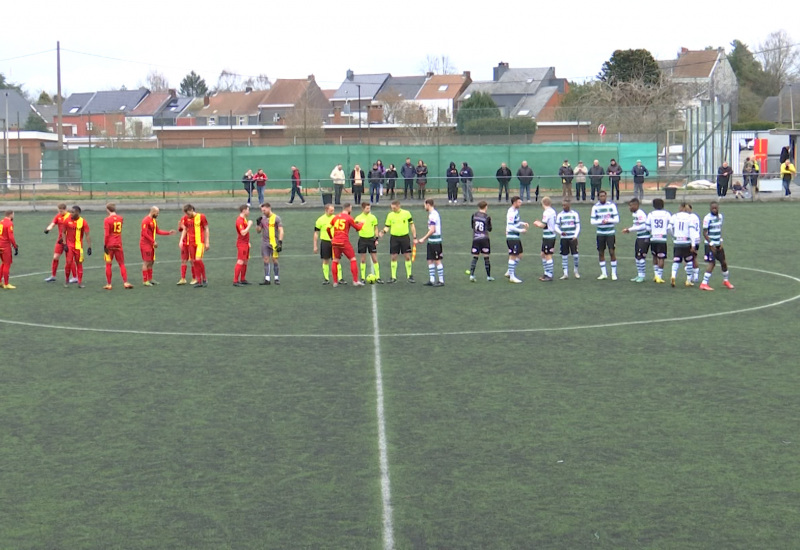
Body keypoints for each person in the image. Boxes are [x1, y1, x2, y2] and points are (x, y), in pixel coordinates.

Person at [700, 201, 734, 291]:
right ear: (710, 209)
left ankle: (726, 281)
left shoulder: (720, 217)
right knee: (712, 263)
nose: (714, 210)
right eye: (713, 208)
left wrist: (721, 241)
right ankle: (704, 283)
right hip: (710, 245)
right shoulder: (707, 218)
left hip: (718, 244)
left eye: (716, 208)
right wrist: (711, 243)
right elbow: (704, 232)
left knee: (724, 262)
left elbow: (719, 230)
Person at [379, 200, 416, 283]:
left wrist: (414, 236)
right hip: (394, 238)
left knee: (407, 256)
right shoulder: (390, 215)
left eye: (394, 208)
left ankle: (409, 275)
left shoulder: (406, 213)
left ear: (399, 206)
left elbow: (412, 224)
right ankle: (393, 277)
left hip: (404, 237)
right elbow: (387, 226)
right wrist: (383, 232)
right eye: (392, 208)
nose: (393, 209)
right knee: (393, 257)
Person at [328, 203, 364, 287]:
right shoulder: (349, 218)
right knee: (353, 259)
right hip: (344, 241)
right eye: (351, 208)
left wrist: (331, 237)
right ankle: (355, 281)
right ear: (348, 208)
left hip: (335, 241)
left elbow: (328, 228)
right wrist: (362, 223)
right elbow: (358, 228)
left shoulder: (335, 217)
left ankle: (335, 282)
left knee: (335, 260)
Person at [139, 206, 175, 287]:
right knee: (146, 262)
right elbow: (144, 233)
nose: (158, 214)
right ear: (152, 212)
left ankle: (150, 279)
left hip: (151, 244)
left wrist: (168, 233)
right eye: (157, 213)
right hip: (145, 244)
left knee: (152, 261)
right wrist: (153, 241)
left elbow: (157, 231)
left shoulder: (154, 221)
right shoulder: (145, 220)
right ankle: (145, 280)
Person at [99, 203, 132, 290]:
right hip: (118, 243)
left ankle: (109, 284)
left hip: (110, 244)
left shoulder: (107, 220)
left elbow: (106, 234)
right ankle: (125, 282)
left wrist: (105, 245)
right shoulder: (120, 218)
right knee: (121, 264)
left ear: (107, 210)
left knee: (108, 264)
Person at [590, 190, 619, 280]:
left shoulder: (611, 205)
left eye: (604, 196)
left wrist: (608, 221)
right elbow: (592, 221)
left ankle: (614, 274)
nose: (603, 197)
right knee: (601, 252)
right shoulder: (595, 207)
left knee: (611, 252)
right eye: (601, 196)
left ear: (606, 197)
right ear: (598, 197)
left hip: (610, 232)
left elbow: (617, 219)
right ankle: (604, 273)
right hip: (600, 233)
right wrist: (601, 221)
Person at [43, 203, 76, 283]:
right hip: (60, 240)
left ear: (65, 210)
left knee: (69, 259)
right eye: (59, 211)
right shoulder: (58, 216)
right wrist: (48, 229)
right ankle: (53, 276)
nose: (60, 213)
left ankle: (75, 277)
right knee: (55, 257)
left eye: (61, 211)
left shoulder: (70, 217)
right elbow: (53, 223)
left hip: (68, 241)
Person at [621, 198, 650, 283]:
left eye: (631, 206)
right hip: (639, 237)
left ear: (636, 205)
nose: (629, 208)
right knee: (637, 257)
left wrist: (629, 230)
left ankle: (642, 276)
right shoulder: (635, 214)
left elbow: (643, 226)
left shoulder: (640, 214)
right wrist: (629, 229)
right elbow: (636, 226)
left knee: (641, 257)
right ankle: (639, 274)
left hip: (644, 237)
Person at [416, 199, 444, 286]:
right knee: (430, 260)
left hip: (435, 242)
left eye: (425, 205)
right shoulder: (431, 214)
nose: (424, 207)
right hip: (431, 241)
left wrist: (423, 238)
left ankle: (441, 280)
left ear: (428, 204)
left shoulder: (433, 215)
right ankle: (432, 280)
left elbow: (432, 230)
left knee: (437, 260)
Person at [180, 204, 209, 288]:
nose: (188, 216)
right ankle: (199, 281)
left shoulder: (201, 217)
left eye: (188, 213)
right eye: (186, 214)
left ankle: (204, 278)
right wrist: (181, 240)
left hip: (199, 242)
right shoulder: (186, 218)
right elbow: (185, 229)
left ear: (192, 209)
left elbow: (206, 228)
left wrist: (207, 242)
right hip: (190, 243)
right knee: (193, 261)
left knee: (198, 259)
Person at [63, 205, 92, 288]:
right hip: (69, 245)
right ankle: (67, 280)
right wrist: (65, 243)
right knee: (68, 262)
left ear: (78, 213)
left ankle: (79, 282)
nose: (70, 213)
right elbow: (63, 232)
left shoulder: (83, 222)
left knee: (79, 263)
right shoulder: (66, 220)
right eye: (70, 212)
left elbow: (87, 235)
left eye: (73, 212)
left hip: (79, 247)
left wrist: (89, 247)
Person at [313, 203, 343, 285]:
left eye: (333, 210)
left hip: (335, 242)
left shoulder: (336, 218)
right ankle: (326, 278)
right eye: (331, 210)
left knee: (337, 260)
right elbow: (316, 233)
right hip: (325, 242)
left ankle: (340, 278)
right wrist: (315, 245)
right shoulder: (320, 220)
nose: (333, 212)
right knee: (325, 260)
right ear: (326, 210)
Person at [354, 202, 383, 283]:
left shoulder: (373, 217)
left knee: (374, 258)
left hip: (371, 240)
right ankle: (363, 278)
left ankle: (378, 277)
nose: (369, 210)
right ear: (363, 209)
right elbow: (356, 229)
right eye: (367, 208)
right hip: (362, 240)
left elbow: (376, 228)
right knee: (363, 259)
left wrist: (376, 239)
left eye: (369, 208)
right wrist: (358, 226)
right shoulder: (358, 218)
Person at [667, 202, 694, 288]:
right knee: (689, 261)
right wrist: (693, 244)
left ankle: (673, 275)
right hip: (686, 242)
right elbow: (692, 231)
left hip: (677, 242)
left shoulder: (674, 216)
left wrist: (673, 236)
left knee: (676, 260)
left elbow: (669, 228)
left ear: (681, 207)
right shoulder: (689, 217)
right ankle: (688, 280)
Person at [256, 202, 283, 285]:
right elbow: (258, 231)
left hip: (274, 243)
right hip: (265, 243)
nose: (263, 212)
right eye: (262, 210)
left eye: (264, 210)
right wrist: (258, 224)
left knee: (275, 260)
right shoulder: (262, 219)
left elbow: (281, 230)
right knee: (266, 260)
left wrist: (280, 242)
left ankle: (276, 278)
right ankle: (267, 279)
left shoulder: (276, 218)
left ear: (269, 208)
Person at [646, 198, 672, 284]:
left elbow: (647, 227)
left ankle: (656, 275)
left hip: (653, 238)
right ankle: (659, 277)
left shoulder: (651, 214)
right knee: (661, 257)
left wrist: (652, 231)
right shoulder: (667, 214)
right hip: (662, 239)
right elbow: (670, 226)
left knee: (654, 256)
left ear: (653, 205)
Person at [505, 196, 529, 283]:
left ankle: (509, 271)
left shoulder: (516, 211)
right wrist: (521, 230)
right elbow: (510, 226)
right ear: (514, 202)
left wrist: (523, 223)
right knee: (513, 256)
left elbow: (516, 222)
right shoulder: (511, 212)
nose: (520, 203)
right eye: (519, 202)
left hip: (516, 237)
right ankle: (512, 276)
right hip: (512, 237)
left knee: (520, 255)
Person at [468, 201, 494, 282]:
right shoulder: (487, 217)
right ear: (485, 207)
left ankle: (472, 275)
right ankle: (488, 276)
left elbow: (472, 226)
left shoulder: (474, 215)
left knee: (475, 257)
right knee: (486, 257)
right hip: (485, 239)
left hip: (476, 238)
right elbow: (490, 229)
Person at [554, 199, 580, 280]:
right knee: (564, 255)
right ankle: (565, 273)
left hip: (572, 238)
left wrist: (575, 235)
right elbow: (556, 226)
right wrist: (561, 232)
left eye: (565, 205)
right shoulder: (560, 215)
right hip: (564, 238)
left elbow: (578, 226)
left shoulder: (575, 214)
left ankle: (576, 271)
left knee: (575, 255)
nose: (563, 207)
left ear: (569, 205)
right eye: (562, 205)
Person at [532, 197, 557, 281]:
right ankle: (546, 273)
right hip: (549, 236)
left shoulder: (547, 212)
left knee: (548, 255)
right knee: (543, 254)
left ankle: (549, 275)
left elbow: (544, 225)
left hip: (549, 236)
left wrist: (537, 223)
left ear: (543, 204)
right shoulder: (553, 211)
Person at [233, 204, 253, 286]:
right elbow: (243, 232)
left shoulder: (244, 219)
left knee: (245, 261)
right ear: (244, 210)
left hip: (245, 243)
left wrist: (248, 242)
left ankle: (243, 279)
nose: (249, 212)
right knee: (240, 260)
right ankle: (235, 281)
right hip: (241, 244)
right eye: (248, 210)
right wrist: (249, 225)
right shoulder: (240, 220)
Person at [0, 210, 19, 289]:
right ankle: (6, 284)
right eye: (13, 214)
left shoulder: (1, 221)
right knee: (7, 264)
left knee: (3, 263)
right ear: (10, 215)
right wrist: (15, 246)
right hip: (5, 246)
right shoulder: (10, 223)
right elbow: (11, 237)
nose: (13, 216)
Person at [177, 210, 196, 285]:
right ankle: (183, 278)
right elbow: (181, 230)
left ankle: (194, 278)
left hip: (192, 242)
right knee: (183, 260)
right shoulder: (183, 218)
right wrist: (180, 226)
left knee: (192, 261)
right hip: (185, 243)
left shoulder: (196, 219)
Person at [685, 202, 702, 283]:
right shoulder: (695, 216)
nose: (686, 210)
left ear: (691, 209)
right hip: (697, 239)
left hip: (691, 240)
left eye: (687, 208)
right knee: (693, 258)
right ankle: (695, 276)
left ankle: (691, 276)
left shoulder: (688, 218)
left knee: (687, 258)